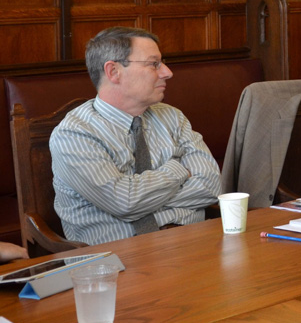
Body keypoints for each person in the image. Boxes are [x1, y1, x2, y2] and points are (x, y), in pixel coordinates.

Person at [50, 27, 222, 246]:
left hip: (194, 245)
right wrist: (177, 170)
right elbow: (125, 202)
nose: (167, 72)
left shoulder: (172, 117)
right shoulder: (74, 134)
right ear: (113, 72)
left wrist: (141, 198)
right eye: (154, 64)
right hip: (115, 263)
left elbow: (212, 186)